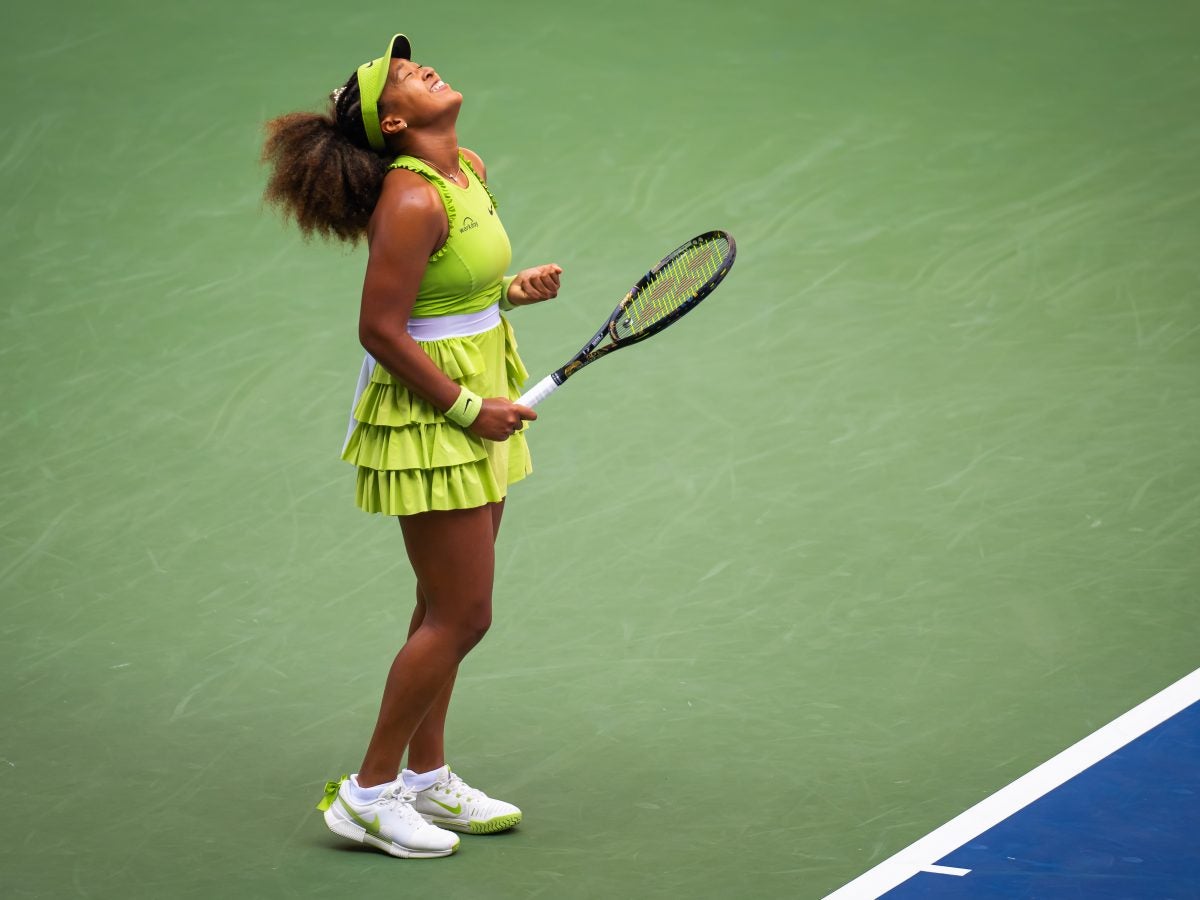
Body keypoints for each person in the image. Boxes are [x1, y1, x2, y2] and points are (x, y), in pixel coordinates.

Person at [261, 32, 562, 859]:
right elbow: (381, 328)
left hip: (476, 385)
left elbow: (450, 285)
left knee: (441, 607)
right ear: (393, 122)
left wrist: (511, 291)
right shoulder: (411, 199)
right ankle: (366, 793)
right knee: (465, 614)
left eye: (413, 62)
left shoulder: (465, 173)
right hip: (431, 413)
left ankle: (426, 779)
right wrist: (469, 409)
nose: (419, 66)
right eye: (401, 77)